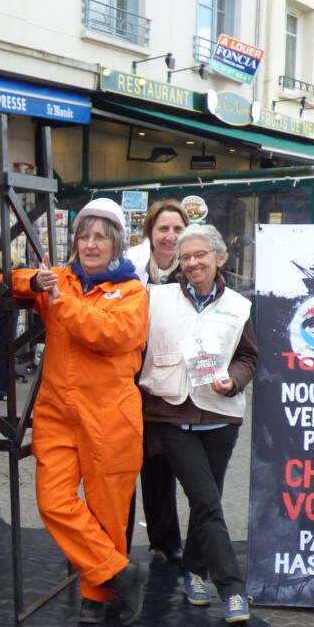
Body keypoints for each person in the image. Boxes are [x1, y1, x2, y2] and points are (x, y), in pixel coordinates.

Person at [12, 197, 149, 625]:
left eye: (100, 237)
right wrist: (37, 282)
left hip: (110, 413)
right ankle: (120, 573)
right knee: (53, 501)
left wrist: (59, 299)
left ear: (116, 244)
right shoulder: (61, 280)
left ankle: (98, 593)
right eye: (84, 236)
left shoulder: (132, 292)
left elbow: (109, 333)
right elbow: (9, 280)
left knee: (108, 509)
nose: (91, 244)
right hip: (57, 410)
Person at [137, 222, 258, 623]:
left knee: (207, 504)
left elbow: (248, 357)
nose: (191, 263)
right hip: (172, 414)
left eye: (200, 255)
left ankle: (194, 571)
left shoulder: (239, 306)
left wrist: (234, 380)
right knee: (206, 501)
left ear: (220, 258)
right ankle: (233, 589)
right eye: (185, 257)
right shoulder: (157, 298)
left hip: (220, 417)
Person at [124, 199, 189, 563]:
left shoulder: (191, 269)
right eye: (163, 229)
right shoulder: (130, 268)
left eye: (177, 229)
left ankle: (165, 541)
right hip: (129, 376)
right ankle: (116, 542)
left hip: (168, 380)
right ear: (150, 232)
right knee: (122, 464)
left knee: (160, 462)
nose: (170, 236)